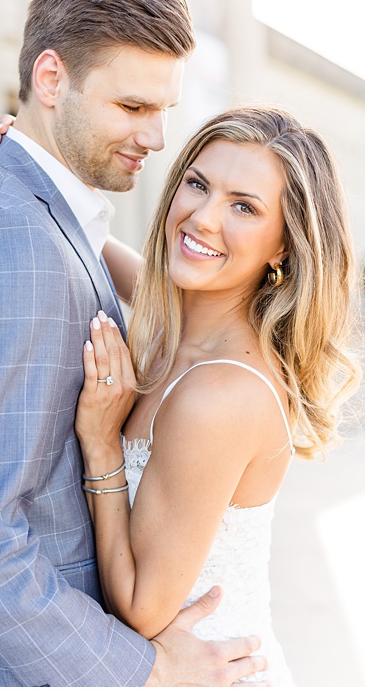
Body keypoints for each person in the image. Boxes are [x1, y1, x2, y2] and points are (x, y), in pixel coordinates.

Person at [0, 0, 266, 688]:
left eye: (163, 109)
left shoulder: (46, 218)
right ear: (50, 78)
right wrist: (142, 667)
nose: (156, 137)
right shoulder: (5, 241)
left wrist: (20, 160)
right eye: (131, 106)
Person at [68, 106, 359, 686]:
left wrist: (101, 444)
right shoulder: (174, 331)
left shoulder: (219, 395)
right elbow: (120, 261)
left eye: (243, 207)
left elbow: (139, 606)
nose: (202, 218)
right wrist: (38, 164)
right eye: (197, 185)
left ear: (284, 245)